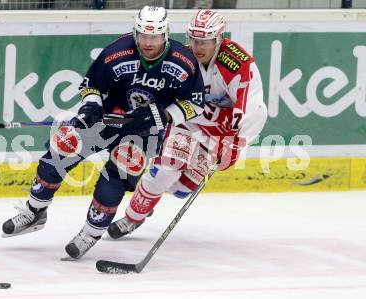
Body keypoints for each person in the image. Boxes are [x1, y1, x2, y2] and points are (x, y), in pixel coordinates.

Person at [1, 6, 205, 260]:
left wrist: (161, 115)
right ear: (135, 32)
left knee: (117, 174)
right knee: (62, 148)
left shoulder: (184, 61)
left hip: (146, 133)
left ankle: (91, 231)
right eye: (142, 36)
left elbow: (194, 103)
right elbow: (91, 85)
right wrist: (91, 106)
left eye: (154, 37)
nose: (148, 43)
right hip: (109, 120)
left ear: (165, 35)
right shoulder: (117, 52)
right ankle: (35, 212)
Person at [107, 9, 268, 238]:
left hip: (224, 129)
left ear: (219, 39)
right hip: (191, 121)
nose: (198, 47)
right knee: (165, 171)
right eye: (194, 40)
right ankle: (133, 217)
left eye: (205, 42)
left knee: (181, 189)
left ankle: (156, 194)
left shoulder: (236, 64)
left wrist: (235, 142)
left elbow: (252, 108)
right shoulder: (181, 59)